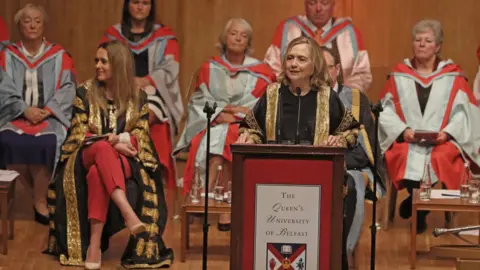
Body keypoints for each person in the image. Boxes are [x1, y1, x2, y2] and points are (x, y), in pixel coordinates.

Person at [44, 40, 173, 269]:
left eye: (104, 61)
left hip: (123, 160)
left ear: (119, 64)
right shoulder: (85, 92)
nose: (98, 66)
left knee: (97, 174)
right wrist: (113, 141)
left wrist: (121, 141)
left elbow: (141, 136)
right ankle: (127, 212)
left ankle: (94, 245)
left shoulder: (138, 96)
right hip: (85, 156)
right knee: (101, 150)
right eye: (96, 61)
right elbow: (78, 133)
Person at [237, 36, 360, 270]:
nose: (293, 64)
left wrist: (338, 139)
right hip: (273, 177)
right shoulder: (272, 94)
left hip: (317, 178)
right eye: (290, 58)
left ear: (314, 65)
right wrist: (248, 137)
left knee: (349, 187)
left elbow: (351, 131)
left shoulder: (327, 96)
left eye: (301, 59)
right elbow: (252, 127)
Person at [379, 20, 480, 234]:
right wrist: (403, 131)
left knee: (442, 157)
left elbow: (464, 112)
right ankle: (420, 208)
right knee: (403, 154)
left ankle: (417, 207)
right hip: (407, 139)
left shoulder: (453, 76)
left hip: (442, 140)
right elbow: (385, 110)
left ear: (438, 46)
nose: (422, 44)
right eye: (417, 40)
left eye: (428, 40)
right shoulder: (399, 75)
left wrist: (448, 133)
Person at [174, 18, 276, 231]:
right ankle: (217, 206)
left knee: (226, 141)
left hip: (245, 127)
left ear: (248, 42)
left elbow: (263, 104)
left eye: (244, 35)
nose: (238, 38)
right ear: (224, 37)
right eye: (234, 33)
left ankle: (207, 201)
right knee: (218, 141)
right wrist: (224, 112)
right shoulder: (209, 67)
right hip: (214, 122)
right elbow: (199, 101)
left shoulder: (262, 71)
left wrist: (237, 116)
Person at [0, 4, 76, 225]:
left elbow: (68, 87)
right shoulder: (7, 56)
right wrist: (24, 110)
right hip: (14, 115)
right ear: (19, 26)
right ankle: (36, 195)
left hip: (49, 116)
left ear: (44, 25)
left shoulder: (60, 56)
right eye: (27, 21)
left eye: (37, 21)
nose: (32, 25)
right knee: (7, 141)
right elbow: (3, 89)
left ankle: (40, 199)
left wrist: (48, 110)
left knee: (47, 143)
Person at [100, 0, 183, 189]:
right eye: (135, 2)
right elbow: (103, 62)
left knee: (149, 111)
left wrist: (146, 81)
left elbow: (170, 68)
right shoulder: (113, 35)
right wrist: (126, 82)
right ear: (127, 5)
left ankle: (135, 153)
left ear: (151, 7)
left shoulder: (165, 36)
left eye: (145, 3)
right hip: (119, 88)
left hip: (153, 89)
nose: (140, 7)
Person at [323, 46, 386, 263]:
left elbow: (365, 151)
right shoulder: (303, 98)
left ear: (337, 69)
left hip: (350, 166)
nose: (321, 72)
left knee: (354, 184)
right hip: (312, 166)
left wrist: (337, 158)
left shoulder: (357, 100)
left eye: (327, 67)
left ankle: (343, 253)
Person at [264, 0, 372, 92]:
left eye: (324, 2)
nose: (318, 8)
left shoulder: (349, 32)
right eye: (312, 2)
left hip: (339, 103)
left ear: (333, 4)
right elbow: (271, 68)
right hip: (295, 99)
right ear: (305, 4)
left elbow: (362, 74)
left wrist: (342, 94)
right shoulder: (288, 29)